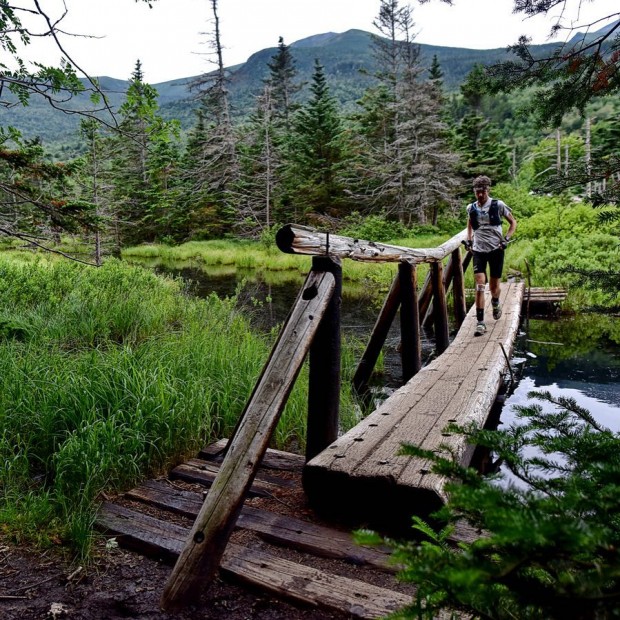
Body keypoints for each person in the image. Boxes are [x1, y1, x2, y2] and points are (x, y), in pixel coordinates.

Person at [465, 175, 517, 336]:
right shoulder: (471, 208)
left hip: (496, 250)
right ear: (474, 191)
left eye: (483, 192)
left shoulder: (498, 205)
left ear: (488, 190)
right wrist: (469, 240)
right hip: (479, 250)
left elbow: (513, 223)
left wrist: (506, 239)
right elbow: (469, 226)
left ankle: (495, 302)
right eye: (477, 192)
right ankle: (480, 323)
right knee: (480, 285)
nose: (480, 195)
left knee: (494, 287)